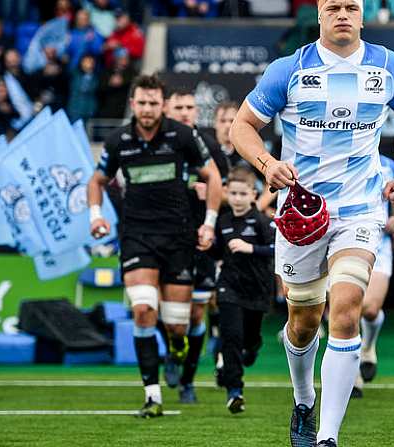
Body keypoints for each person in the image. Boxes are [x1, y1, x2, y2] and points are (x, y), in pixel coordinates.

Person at [229, 0, 394, 444]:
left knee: (346, 310)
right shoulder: (289, 69)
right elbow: (241, 126)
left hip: (360, 209)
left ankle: (328, 437)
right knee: (302, 322)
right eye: (333, 6)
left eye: (351, 7)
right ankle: (303, 401)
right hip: (302, 214)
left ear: (362, 15)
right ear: (319, 14)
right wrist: (266, 163)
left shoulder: (388, 66)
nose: (342, 14)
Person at [87, 74, 222, 418]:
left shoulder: (182, 136)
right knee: (144, 309)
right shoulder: (120, 140)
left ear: (162, 105)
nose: (147, 109)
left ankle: (177, 347)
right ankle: (152, 395)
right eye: (141, 103)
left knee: (177, 324)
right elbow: (97, 180)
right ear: (133, 104)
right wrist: (95, 216)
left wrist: (208, 224)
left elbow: (213, 176)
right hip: (137, 236)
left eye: (153, 103)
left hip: (179, 237)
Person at [161, 86, 227, 403]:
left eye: (190, 107)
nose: (186, 113)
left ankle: (187, 381)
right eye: (179, 107)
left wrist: (211, 191)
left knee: (197, 315)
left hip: (200, 239)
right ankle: (173, 351)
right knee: (167, 311)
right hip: (164, 239)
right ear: (167, 111)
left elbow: (230, 193)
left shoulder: (210, 147)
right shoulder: (157, 143)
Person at [211, 166, 276, 413]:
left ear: (253, 194)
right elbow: (218, 252)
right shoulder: (223, 220)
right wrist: (207, 246)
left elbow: (277, 249)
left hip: (257, 290)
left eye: (242, 194)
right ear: (226, 193)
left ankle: (253, 347)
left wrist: (251, 249)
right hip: (229, 287)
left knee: (249, 339)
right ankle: (234, 391)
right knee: (231, 337)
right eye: (233, 194)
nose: (237, 199)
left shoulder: (262, 222)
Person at [351, 154, 394, 399]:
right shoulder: (333, 151)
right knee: (346, 309)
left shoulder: (388, 164)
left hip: (378, 241)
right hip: (339, 238)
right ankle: (352, 376)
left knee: (370, 309)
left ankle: (368, 347)